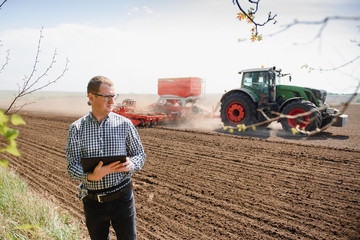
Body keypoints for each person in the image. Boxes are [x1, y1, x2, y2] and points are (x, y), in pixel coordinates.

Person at [66, 76, 146, 240]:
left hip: (122, 199)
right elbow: (72, 167)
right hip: (93, 201)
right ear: (91, 97)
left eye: (114, 96)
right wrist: (90, 176)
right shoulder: (77, 128)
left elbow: (140, 155)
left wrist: (131, 164)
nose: (112, 101)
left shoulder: (125, 124)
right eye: (107, 97)